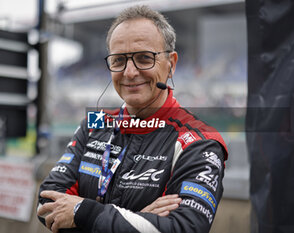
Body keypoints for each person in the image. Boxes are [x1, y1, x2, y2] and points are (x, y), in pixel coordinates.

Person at [37, 5, 228, 233]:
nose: (129, 72)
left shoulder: (200, 142)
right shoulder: (94, 124)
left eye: (144, 58)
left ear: (171, 64)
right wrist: (140, 221)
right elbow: (46, 204)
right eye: (118, 60)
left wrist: (83, 212)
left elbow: (184, 228)